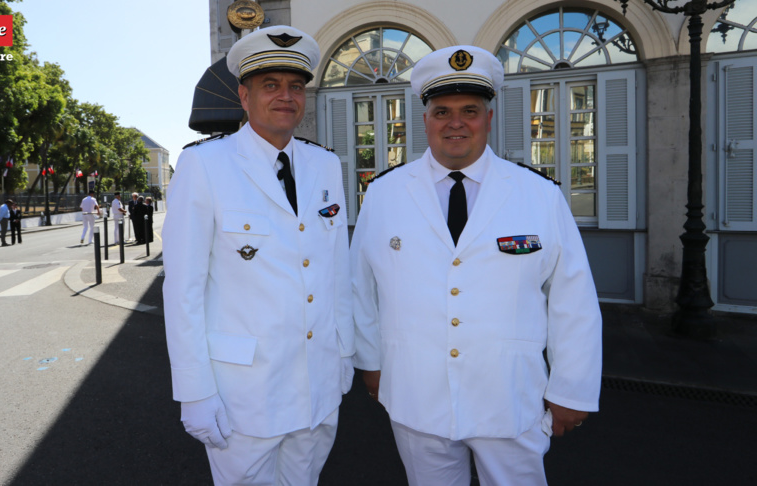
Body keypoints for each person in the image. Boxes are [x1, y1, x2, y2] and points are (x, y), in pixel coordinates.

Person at [351, 45, 603, 486]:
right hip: (416, 394)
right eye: (441, 111)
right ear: (425, 119)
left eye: (470, 110)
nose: (455, 123)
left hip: (508, 396)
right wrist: (371, 364)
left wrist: (572, 389)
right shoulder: (384, 195)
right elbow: (361, 287)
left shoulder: (537, 194)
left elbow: (572, 297)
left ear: (489, 118)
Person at [162, 25, 354, 486]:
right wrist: (194, 392)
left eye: (295, 86)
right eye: (270, 86)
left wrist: (344, 356)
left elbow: (336, 271)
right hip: (243, 395)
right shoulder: (205, 165)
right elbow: (184, 288)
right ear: (244, 98)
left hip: (318, 388)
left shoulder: (325, 164)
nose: (285, 96)